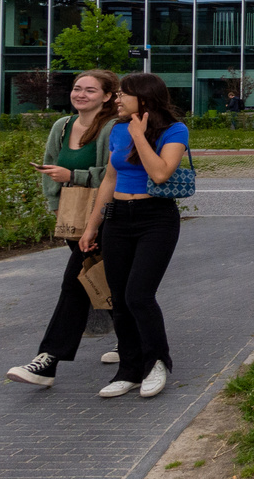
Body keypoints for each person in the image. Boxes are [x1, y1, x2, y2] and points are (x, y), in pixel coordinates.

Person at [77, 72, 190, 400]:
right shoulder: (116, 129)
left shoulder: (174, 131)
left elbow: (159, 172)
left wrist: (140, 135)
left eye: (123, 95)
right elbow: (109, 180)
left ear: (144, 98)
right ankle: (128, 369)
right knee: (120, 299)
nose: (116, 99)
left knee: (139, 295)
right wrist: (91, 226)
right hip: (118, 221)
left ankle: (156, 363)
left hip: (156, 219)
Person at [6, 70, 120, 388]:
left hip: (108, 217)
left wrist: (73, 175)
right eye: (76, 88)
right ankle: (132, 340)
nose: (80, 94)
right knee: (99, 279)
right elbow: (48, 166)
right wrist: (55, 203)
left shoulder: (113, 128)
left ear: (108, 96)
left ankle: (48, 361)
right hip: (73, 217)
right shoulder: (63, 126)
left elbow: (113, 174)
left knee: (76, 283)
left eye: (90, 90)